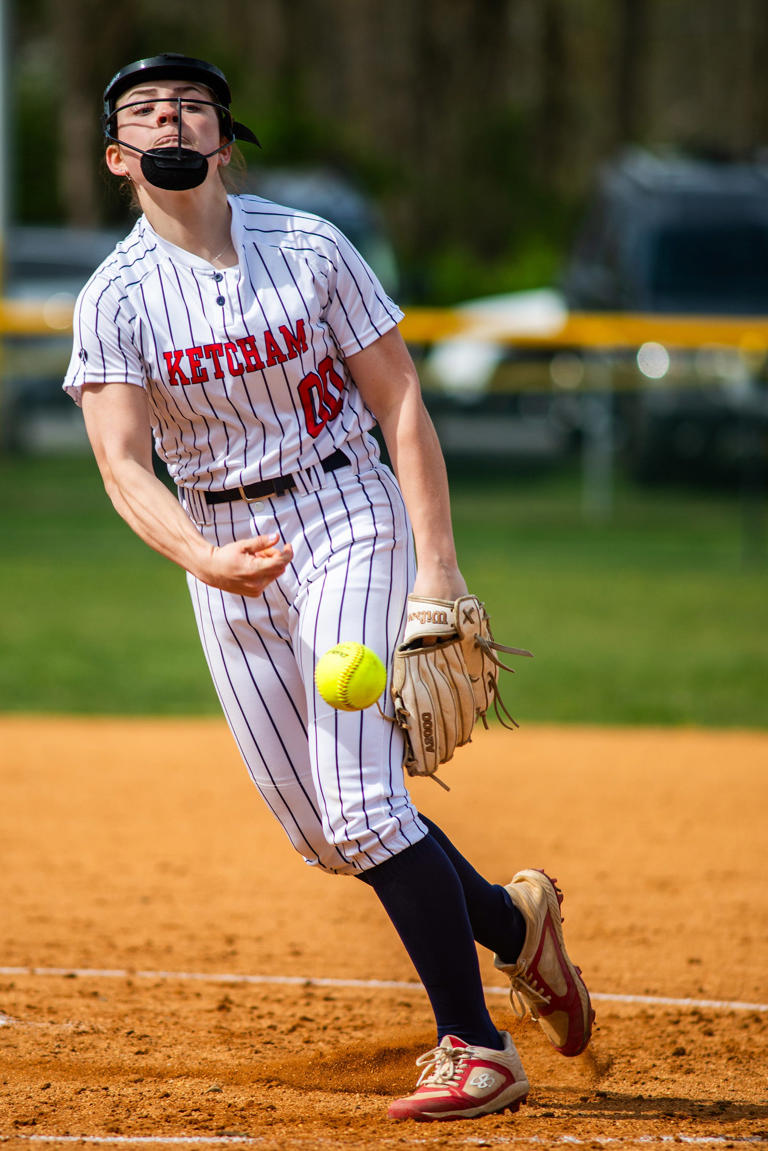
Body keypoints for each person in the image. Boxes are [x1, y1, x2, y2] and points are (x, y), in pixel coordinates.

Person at [63, 53, 593, 1122]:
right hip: (221, 544)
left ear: (225, 137)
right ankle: (513, 922)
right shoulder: (114, 296)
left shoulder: (308, 246)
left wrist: (436, 568)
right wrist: (202, 558)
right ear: (119, 155)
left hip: (343, 510)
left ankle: (477, 1046)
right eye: (146, 110)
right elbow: (122, 462)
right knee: (325, 831)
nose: (172, 116)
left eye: (193, 105)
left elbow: (400, 403)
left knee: (360, 806)